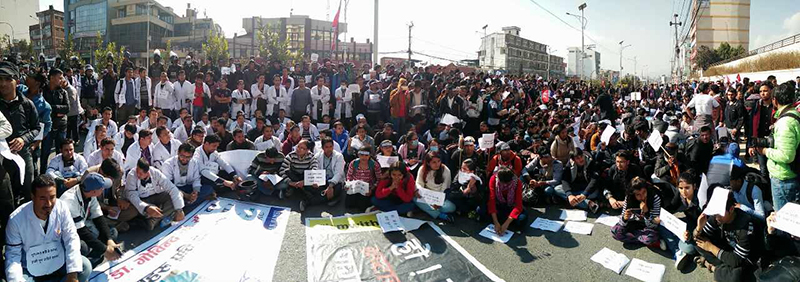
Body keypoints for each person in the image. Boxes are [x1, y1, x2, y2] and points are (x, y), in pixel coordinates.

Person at [4, 175, 92, 282]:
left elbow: (71, 238)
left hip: (58, 261)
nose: (49, 203)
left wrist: (72, 274)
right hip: (30, 269)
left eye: (52, 197)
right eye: (42, 198)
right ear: (33, 196)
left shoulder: (61, 207)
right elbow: (13, 256)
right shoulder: (16, 219)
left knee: (85, 267)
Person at [694, 188, 763, 281]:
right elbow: (698, 239)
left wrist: (711, 248)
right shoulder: (717, 218)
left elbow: (737, 260)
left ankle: (713, 267)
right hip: (728, 249)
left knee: (735, 277)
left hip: (745, 258)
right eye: (715, 213)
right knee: (699, 244)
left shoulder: (745, 227)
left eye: (720, 213)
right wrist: (699, 228)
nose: (716, 217)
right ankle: (722, 268)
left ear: (731, 209)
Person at [753, 82, 800, 211]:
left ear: (775, 100)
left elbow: (786, 155)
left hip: (783, 178)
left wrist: (765, 151)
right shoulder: (793, 115)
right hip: (789, 175)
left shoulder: (785, 122)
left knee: (783, 222)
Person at [59, 173, 121, 267]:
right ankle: (85, 260)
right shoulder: (69, 201)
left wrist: (109, 240)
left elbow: (99, 218)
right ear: (94, 191)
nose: (104, 189)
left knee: (112, 233)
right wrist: (105, 250)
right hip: (66, 234)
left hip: (82, 226)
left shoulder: (90, 194)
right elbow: (82, 232)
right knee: (82, 247)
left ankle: (96, 253)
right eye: (102, 188)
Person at [118, 158, 185, 231]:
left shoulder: (155, 172)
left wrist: (179, 210)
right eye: (137, 171)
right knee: (135, 210)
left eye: (141, 173)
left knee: (178, 195)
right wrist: (146, 207)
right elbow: (131, 195)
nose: (138, 175)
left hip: (157, 195)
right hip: (142, 200)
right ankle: (153, 218)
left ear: (148, 172)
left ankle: (154, 220)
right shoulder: (131, 175)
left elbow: (171, 188)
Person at [610, 177, 666, 250]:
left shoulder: (654, 197)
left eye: (644, 192)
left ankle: (642, 239)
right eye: (638, 195)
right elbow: (621, 220)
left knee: (651, 237)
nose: (642, 197)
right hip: (633, 224)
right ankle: (647, 241)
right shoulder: (629, 198)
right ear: (633, 194)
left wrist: (646, 213)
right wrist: (624, 218)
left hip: (647, 226)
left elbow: (653, 225)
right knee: (615, 232)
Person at [162, 143, 212, 209]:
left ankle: (187, 203)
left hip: (188, 186)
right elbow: (169, 185)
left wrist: (195, 192)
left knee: (209, 188)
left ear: (192, 156)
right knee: (172, 197)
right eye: (182, 156)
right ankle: (189, 202)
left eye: (188, 157)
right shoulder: (168, 164)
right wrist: (186, 195)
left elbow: (196, 179)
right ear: (178, 153)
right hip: (176, 189)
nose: (185, 159)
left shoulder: (194, 162)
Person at [279, 140, 319, 212]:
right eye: (298, 147)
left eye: (302, 148)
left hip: (304, 177)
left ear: (307, 150)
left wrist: (304, 181)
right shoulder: (291, 155)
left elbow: (315, 170)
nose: (298, 149)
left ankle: (302, 197)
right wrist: (291, 182)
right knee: (287, 172)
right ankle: (291, 188)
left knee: (314, 185)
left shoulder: (312, 157)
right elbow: (282, 170)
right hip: (294, 176)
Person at [484, 167, 527, 234]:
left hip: (511, 206)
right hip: (499, 205)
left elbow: (518, 205)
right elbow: (491, 200)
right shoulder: (493, 179)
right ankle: (500, 221)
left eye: (507, 183)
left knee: (522, 219)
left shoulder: (517, 182)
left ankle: (505, 222)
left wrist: (506, 223)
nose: (505, 185)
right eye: (502, 183)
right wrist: (496, 222)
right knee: (481, 211)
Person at [415, 151, 455, 222]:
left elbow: (445, 188)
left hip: (439, 196)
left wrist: (438, 202)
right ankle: (439, 215)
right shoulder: (422, 169)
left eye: (439, 161)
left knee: (451, 207)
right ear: (428, 163)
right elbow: (419, 184)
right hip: (427, 195)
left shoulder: (445, 170)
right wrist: (419, 192)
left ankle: (428, 210)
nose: (437, 164)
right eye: (434, 162)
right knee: (414, 198)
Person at [345, 146, 380, 212]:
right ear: (358, 155)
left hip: (368, 187)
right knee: (349, 205)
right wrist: (348, 184)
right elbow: (349, 175)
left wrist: (372, 189)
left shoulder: (374, 165)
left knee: (362, 207)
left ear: (370, 155)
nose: (364, 157)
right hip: (355, 186)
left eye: (366, 155)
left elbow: (379, 179)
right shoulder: (353, 163)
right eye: (361, 155)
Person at [313, 137, 345, 206]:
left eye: (331, 146)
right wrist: (316, 181)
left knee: (337, 188)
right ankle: (332, 199)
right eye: (326, 147)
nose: (329, 149)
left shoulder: (339, 156)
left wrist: (330, 186)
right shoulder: (317, 156)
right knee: (312, 187)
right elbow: (315, 169)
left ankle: (309, 201)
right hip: (322, 180)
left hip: (334, 181)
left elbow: (338, 173)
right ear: (322, 147)